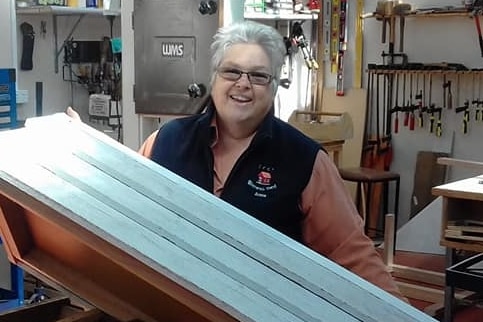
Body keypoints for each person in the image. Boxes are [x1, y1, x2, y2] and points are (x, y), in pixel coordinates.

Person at [69, 20, 405, 301]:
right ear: (214, 77)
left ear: (274, 87)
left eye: (258, 76)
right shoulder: (165, 142)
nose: (243, 84)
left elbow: (353, 256)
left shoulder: (304, 161)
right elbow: (126, 212)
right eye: (232, 72)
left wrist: (401, 314)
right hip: (172, 305)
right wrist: (83, 155)